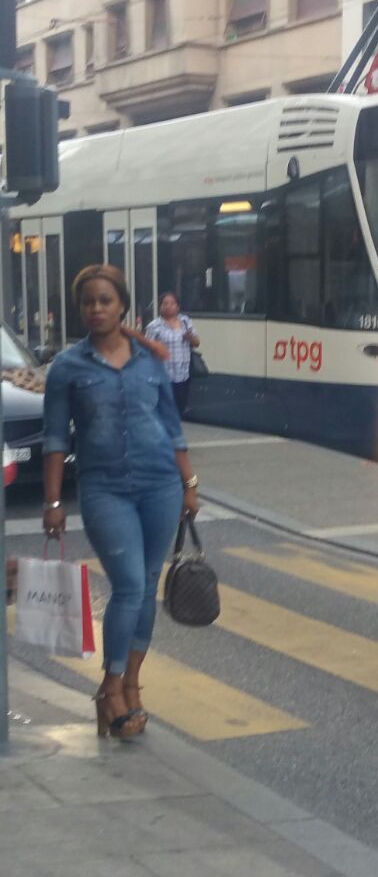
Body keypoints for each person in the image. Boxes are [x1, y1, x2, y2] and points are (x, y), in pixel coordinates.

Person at [42, 264, 199, 741]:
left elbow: (171, 426)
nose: (96, 308)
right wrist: (52, 502)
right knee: (129, 584)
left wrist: (188, 482)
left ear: (123, 306)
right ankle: (111, 688)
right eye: (88, 301)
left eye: (105, 300)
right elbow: (53, 438)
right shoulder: (68, 366)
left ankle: (132, 684)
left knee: (147, 585)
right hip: (105, 489)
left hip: (160, 486)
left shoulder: (151, 360)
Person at [145, 292, 199, 417]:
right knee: (165, 411)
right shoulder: (154, 326)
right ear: (160, 306)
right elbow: (147, 349)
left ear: (178, 307)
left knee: (180, 408)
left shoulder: (185, 321)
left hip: (183, 375)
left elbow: (197, 342)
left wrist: (190, 337)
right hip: (163, 376)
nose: (168, 306)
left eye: (172, 303)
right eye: (165, 303)